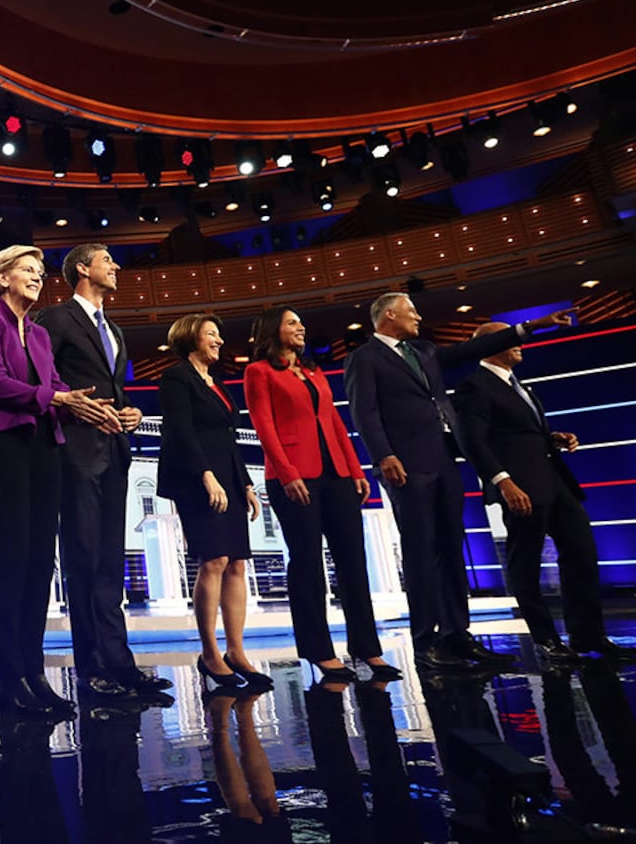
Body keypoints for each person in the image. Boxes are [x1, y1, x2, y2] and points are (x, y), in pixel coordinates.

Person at [344, 293, 570, 671]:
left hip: (443, 461)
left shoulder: (424, 351)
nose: (418, 316)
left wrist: (530, 327)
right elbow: (363, 412)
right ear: (389, 315)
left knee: (451, 548)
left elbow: (476, 347)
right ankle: (425, 642)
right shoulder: (364, 358)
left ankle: (457, 635)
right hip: (405, 465)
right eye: (411, 310)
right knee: (419, 552)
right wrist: (383, 455)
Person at [0, 245, 110, 718]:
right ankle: (10, 678)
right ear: (2, 277)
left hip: (46, 448)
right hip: (5, 447)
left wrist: (91, 406)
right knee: (12, 560)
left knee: (37, 565)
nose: (37, 277)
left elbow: (54, 388)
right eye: (27, 270)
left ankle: (33, 672)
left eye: (39, 271)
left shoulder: (40, 334)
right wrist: (58, 398)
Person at [452, 322, 636, 663]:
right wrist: (504, 482)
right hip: (520, 489)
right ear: (490, 345)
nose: (520, 345)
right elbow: (472, 441)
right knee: (525, 566)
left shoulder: (519, 385)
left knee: (582, 554)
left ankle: (588, 636)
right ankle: (546, 640)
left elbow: (516, 433)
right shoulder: (472, 387)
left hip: (556, 482)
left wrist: (552, 438)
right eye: (510, 339)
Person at [34, 243, 169, 704]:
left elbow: (117, 389)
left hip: (115, 449)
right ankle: (91, 668)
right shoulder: (55, 319)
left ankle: (121, 664)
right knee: (84, 557)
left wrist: (130, 411)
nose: (116, 266)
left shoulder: (113, 327)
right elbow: (42, 379)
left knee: (111, 560)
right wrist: (75, 404)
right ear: (82, 269)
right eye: (107, 260)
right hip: (75, 451)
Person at [244, 307, 398, 683]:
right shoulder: (258, 372)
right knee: (308, 563)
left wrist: (354, 470)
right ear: (273, 330)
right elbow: (263, 426)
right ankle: (318, 650)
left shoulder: (314, 370)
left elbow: (332, 420)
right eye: (292, 323)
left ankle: (367, 647)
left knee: (352, 561)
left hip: (336, 475)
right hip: (294, 476)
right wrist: (287, 472)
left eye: (301, 322)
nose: (301, 327)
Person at [156, 313, 262, 692]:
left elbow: (228, 438)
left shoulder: (216, 383)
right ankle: (210, 653)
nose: (219, 340)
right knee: (214, 559)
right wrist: (205, 474)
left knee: (236, 562)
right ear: (191, 338)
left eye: (219, 334)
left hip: (228, 478)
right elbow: (180, 431)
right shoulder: (175, 377)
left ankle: (237, 652)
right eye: (211, 334)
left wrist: (246, 484)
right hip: (196, 477)